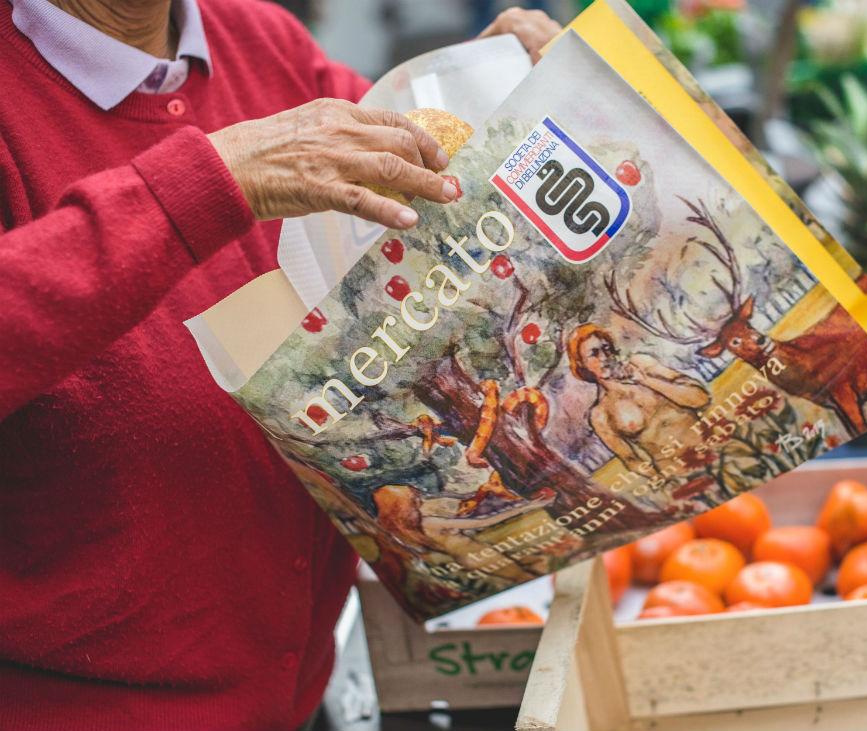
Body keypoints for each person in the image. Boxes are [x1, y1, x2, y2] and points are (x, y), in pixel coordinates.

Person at [0, 1, 560, 729]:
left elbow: (412, 164)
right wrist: (207, 182)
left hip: (297, 690)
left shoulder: (260, 39)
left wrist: (488, 92)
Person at [567, 323, 711, 476]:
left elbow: (700, 399)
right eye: (594, 353)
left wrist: (645, 380)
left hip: (714, 444)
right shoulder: (600, 414)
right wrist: (661, 480)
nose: (604, 357)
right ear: (582, 364)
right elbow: (631, 460)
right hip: (679, 472)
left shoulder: (644, 365)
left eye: (606, 348)